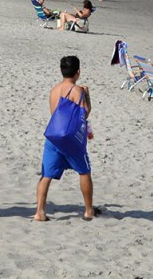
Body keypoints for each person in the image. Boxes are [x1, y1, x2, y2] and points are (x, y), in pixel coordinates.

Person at [34, 55, 95, 222]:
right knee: (84, 172)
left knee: (46, 175)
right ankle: (89, 210)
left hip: (54, 136)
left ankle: (40, 211)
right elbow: (85, 113)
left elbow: (55, 114)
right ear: (78, 72)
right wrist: (87, 95)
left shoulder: (54, 90)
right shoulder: (78, 91)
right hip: (70, 139)